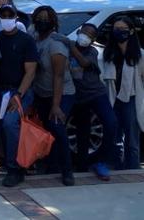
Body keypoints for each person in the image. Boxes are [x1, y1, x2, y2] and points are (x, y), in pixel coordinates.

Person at [60, 23, 116, 180]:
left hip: (96, 94)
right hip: (77, 97)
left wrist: (72, 48)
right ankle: (81, 165)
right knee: (82, 131)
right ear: (78, 31)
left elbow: (84, 63)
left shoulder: (91, 51)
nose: (86, 37)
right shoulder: (66, 47)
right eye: (84, 33)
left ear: (93, 40)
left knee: (111, 123)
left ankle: (102, 161)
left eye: (90, 36)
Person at [0, 4, 38, 187]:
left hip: (20, 90)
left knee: (10, 124)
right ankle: (4, 161)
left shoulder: (26, 40)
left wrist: (18, 94)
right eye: (3, 15)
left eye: (9, 15)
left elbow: (31, 71)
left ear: (16, 17)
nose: (6, 18)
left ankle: (15, 169)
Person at [31, 5, 76, 186]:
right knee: (48, 129)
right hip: (42, 93)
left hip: (62, 93)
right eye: (39, 18)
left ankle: (67, 171)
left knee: (57, 127)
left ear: (53, 22)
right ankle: (52, 165)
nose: (42, 21)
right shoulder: (35, 39)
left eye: (46, 18)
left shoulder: (56, 44)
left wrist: (56, 105)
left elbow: (58, 76)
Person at [102, 16, 144, 170]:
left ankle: (132, 168)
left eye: (122, 29)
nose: (118, 32)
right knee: (114, 134)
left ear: (131, 31)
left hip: (131, 98)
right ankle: (116, 167)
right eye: (116, 29)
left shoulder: (140, 55)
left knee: (132, 137)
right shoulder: (109, 53)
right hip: (113, 98)